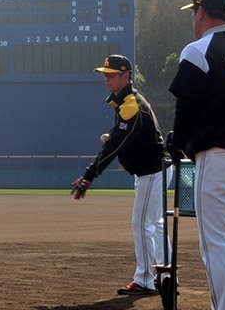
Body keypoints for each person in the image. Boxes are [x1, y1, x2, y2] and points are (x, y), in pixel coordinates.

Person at [168, 0, 225, 310]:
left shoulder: (198, 50)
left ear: (202, 12)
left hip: (218, 158)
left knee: (217, 246)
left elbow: (186, 108)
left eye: (193, 11)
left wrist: (177, 142)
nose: (192, 19)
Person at [71, 54, 169, 296]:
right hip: (153, 171)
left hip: (152, 173)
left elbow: (115, 144)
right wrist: (112, 137)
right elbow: (120, 137)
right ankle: (167, 274)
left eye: (111, 75)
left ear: (126, 76)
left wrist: (89, 174)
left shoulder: (131, 104)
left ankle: (146, 280)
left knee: (143, 223)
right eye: (105, 74)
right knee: (155, 225)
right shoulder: (126, 102)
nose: (106, 79)